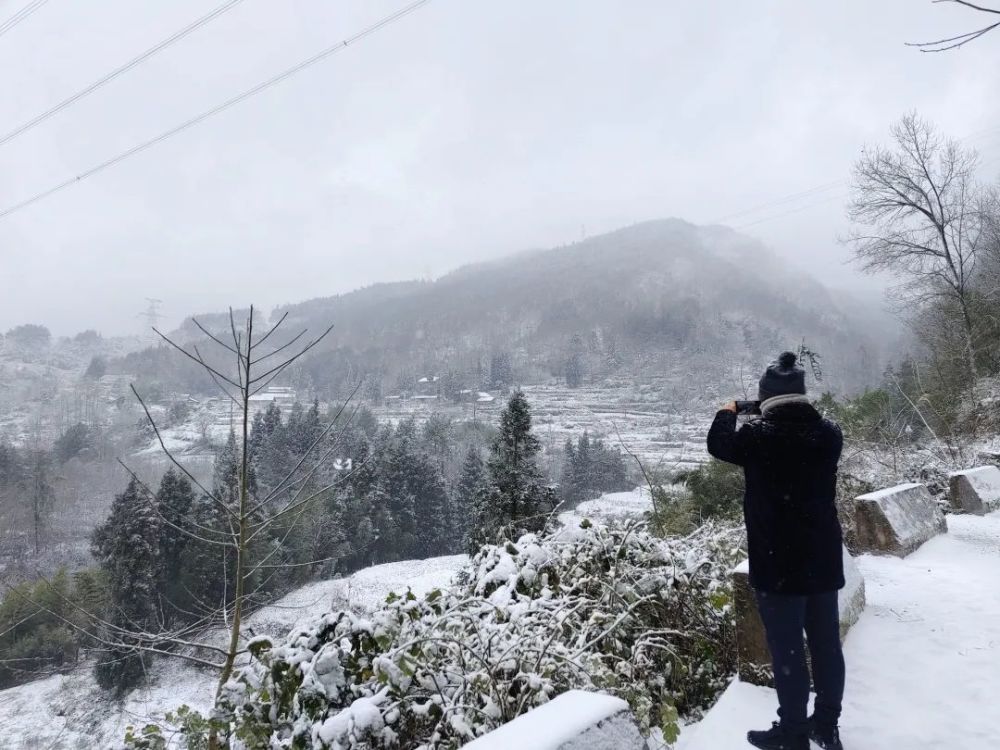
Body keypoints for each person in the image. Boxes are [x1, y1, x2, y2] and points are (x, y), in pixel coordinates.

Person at [707, 351, 845, 750]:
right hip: (822, 560)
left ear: (765, 397)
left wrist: (728, 410)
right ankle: (827, 726)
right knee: (825, 647)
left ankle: (793, 733)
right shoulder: (829, 434)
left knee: (788, 653)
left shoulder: (757, 437)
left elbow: (718, 444)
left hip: (777, 562)